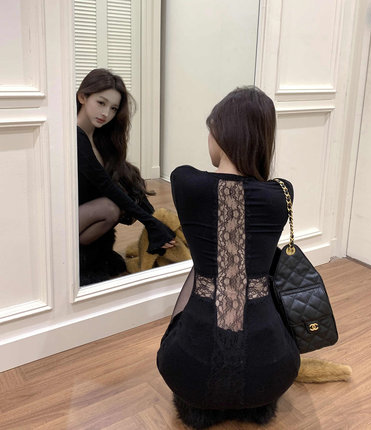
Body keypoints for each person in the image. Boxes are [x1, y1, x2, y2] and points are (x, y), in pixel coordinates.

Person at [157, 86, 300, 429]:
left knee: (207, 267)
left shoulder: (184, 182)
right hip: (271, 373)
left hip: (189, 371)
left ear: (220, 134)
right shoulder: (282, 192)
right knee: (233, 269)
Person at [76, 68, 175, 284]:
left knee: (126, 183)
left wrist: (157, 221)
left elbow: (124, 181)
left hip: (84, 216)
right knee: (111, 207)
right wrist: (150, 223)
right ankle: (77, 259)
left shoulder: (100, 139)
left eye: (113, 108)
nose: (106, 113)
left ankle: (96, 256)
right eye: (100, 103)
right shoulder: (75, 137)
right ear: (82, 97)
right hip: (64, 221)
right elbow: (106, 186)